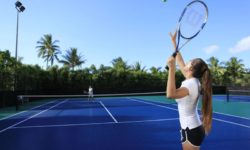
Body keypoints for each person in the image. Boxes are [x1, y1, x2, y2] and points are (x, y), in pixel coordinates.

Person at [166, 31, 212, 150]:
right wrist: (174, 42)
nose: (186, 62)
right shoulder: (193, 80)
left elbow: (170, 94)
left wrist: (171, 69)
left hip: (190, 129)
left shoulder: (190, 84)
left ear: (190, 68)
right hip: (192, 128)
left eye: (189, 61)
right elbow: (180, 61)